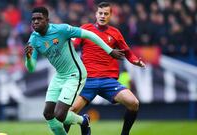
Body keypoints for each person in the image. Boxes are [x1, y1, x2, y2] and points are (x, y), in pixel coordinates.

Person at [24, 7, 124, 135]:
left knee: (60, 115)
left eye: (39, 19)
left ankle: (83, 120)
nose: (35, 22)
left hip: (75, 74)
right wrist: (28, 58)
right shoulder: (33, 39)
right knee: (48, 114)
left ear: (47, 20)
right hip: (59, 75)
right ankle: (84, 120)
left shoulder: (62, 30)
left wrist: (109, 50)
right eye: (33, 19)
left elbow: (89, 34)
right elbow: (31, 68)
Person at [64, 2, 145, 135]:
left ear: (110, 15)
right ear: (96, 14)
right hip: (87, 80)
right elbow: (73, 44)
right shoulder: (85, 29)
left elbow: (127, 52)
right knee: (68, 113)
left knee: (134, 103)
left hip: (108, 81)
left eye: (106, 13)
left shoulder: (115, 33)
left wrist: (135, 61)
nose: (102, 16)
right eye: (100, 13)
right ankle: (83, 122)